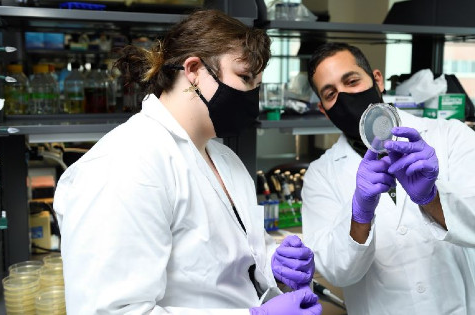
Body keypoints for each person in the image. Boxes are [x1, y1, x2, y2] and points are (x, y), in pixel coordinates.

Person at [53, 10, 321, 315]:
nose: (252, 95)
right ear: (193, 69)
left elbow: (220, 266)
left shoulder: (223, 158)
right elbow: (115, 311)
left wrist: (271, 262)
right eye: (245, 78)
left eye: (257, 83)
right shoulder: (124, 165)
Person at [300, 42, 475, 314]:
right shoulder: (321, 175)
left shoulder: (451, 135)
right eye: (330, 94)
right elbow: (337, 271)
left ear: (377, 80)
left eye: (351, 81)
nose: (344, 97)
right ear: (323, 110)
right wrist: (359, 215)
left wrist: (431, 198)